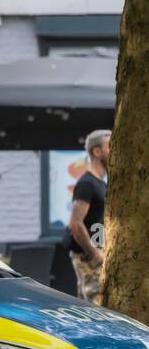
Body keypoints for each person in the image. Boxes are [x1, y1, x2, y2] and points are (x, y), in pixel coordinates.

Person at [66, 128, 112, 304]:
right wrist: (94, 254)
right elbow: (75, 224)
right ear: (97, 151)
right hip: (88, 256)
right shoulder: (87, 184)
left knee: (86, 309)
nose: (114, 150)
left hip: (98, 254)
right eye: (110, 146)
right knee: (98, 308)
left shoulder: (102, 184)